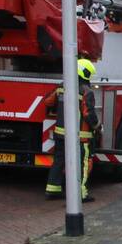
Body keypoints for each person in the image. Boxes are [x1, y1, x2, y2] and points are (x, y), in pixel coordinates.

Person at [45, 58, 100, 202]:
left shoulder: (62, 87)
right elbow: (88, 114)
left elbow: (48, 102)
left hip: (60, 135)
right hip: (80, 137)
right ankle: (82, 194)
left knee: (58, 161)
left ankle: (53, 190)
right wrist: (97, 126)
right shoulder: (86, 92)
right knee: (84, 165)